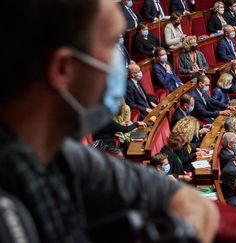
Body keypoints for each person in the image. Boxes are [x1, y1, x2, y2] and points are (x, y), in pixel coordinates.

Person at [0, 0, 219, 242]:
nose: (122, 63)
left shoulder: (63, 156)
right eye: (113, 43)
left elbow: (186, 201)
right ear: (64, 70)